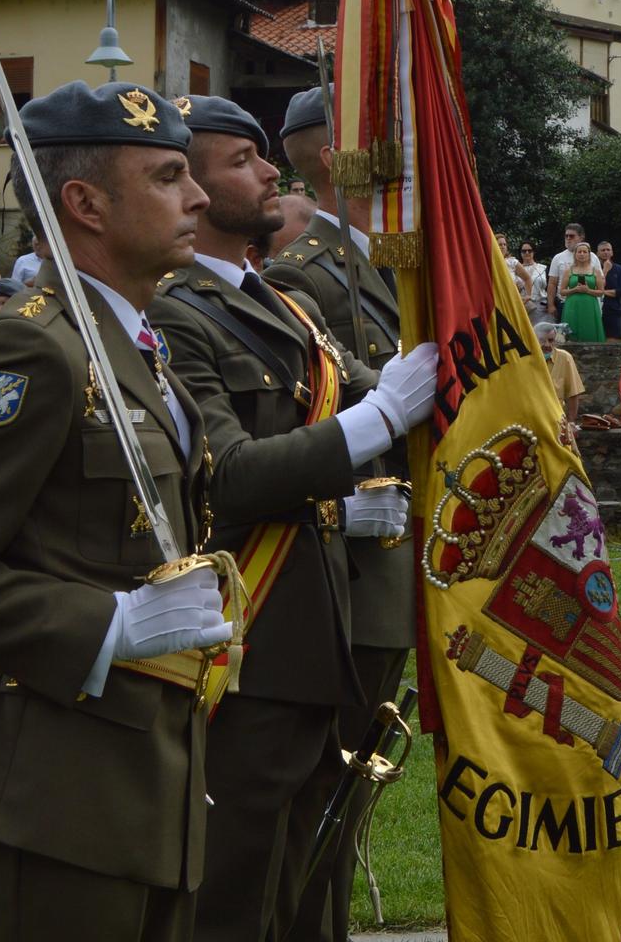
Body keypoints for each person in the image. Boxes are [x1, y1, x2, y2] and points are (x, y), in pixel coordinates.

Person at [0, 81, 227, 942]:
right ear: (85, 203)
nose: (200, 195)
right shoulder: (38, 345)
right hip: (56, 804)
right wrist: (110, 624)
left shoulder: (137, 344)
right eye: (170, 176)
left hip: (150, 790)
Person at [149, 96, 437, 942]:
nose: (270, 169)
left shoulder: (280, 309)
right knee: (240, 889)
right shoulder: (177, 312)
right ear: (190, 190)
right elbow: (232, 473)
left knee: (307, 880)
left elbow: (344, 404)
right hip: (255, 635)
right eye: (241, 160)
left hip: (318, 631)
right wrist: (381, 416)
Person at [265, 84, 416, 938]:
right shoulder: (304, 278)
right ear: (336, 158)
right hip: (357, 567)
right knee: (328, 784)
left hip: (411, 552)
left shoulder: (397, 260)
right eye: (387, 145)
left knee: (358, 786)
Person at [537, 322, 586, 442]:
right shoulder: (524, 359)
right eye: (542, 341)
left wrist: (571, 422)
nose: (547, 345)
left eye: (551, 340)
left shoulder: (565, 358)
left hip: (557, 420)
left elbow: (573, 393)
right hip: (533, 420)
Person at [558, 240, 606, 343]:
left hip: (590, 305)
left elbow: (601, 292)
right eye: (579, 252)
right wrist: (575, 289)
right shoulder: (568, 271)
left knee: (590, 330)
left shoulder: (596, 271)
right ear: (575, 254)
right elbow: (562, 291)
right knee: (571, 331)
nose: (582, 254)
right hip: (572, 306)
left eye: (585, 252)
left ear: (589, 255)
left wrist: (588, 290)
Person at [547, 222, 584, 320]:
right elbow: (552, 283)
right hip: (564, 303)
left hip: (585, 303)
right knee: (562, 334)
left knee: (584, 334)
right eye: (566, 236)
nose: (568, 238)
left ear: (581, 238)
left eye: (571, 236)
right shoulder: (558, 258)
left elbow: (599, 281)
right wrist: (550, 305)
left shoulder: (592, 257)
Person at [596, 240, 621, 340]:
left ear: (612, 252)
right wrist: (605, 271)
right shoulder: (593, 269)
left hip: (614, 309)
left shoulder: (619, 269)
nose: (606, 252)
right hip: (596, 309)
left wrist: (600, 292)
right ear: (597, 253)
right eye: (603, 250)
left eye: (608, 250)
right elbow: (593, 288)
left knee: (613, 341)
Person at [512, 241, 547, 313]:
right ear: (520, 253)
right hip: (522, 308)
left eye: (530, 251)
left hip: (542, 307)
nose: (527, 253)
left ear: (533, 252)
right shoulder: (514, 271)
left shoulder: (543, 268)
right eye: (524, 251)